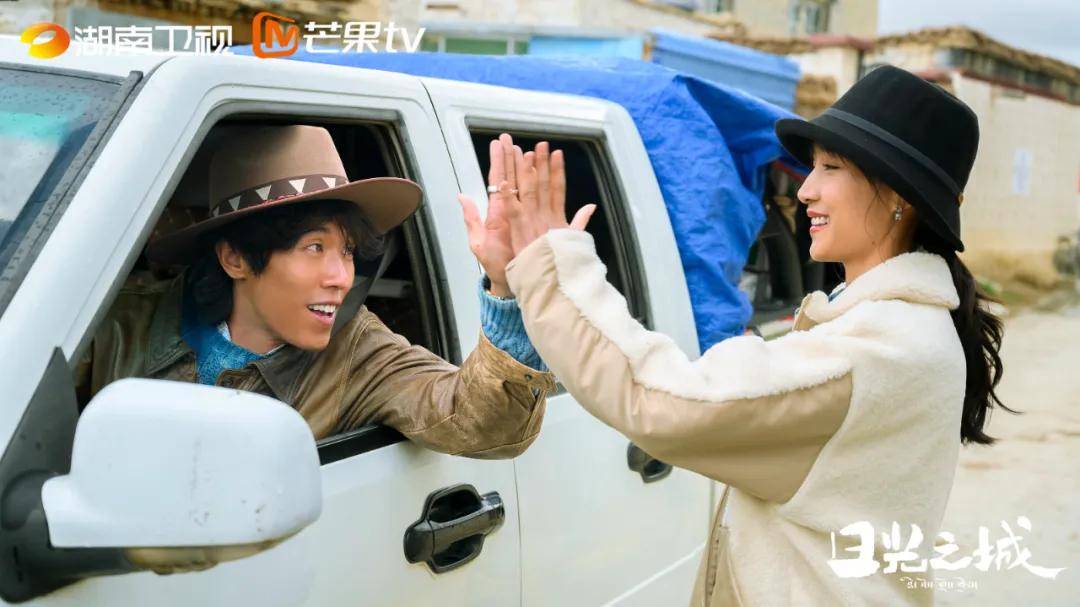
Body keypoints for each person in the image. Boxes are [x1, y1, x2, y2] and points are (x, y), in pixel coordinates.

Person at [465, 66, 1012, 606]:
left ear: (899, 197)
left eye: (830, 167)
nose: (806, 190)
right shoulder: (902, 324)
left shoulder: (875, 347)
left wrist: (552, 264)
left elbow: (660, 402)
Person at [76, 124, 555, 460]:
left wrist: (506, 291)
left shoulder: (358, 350)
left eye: (347, 251)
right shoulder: (113, 326)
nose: (341, 277)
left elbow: (478, 420)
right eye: (314, 248)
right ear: (235, 259)